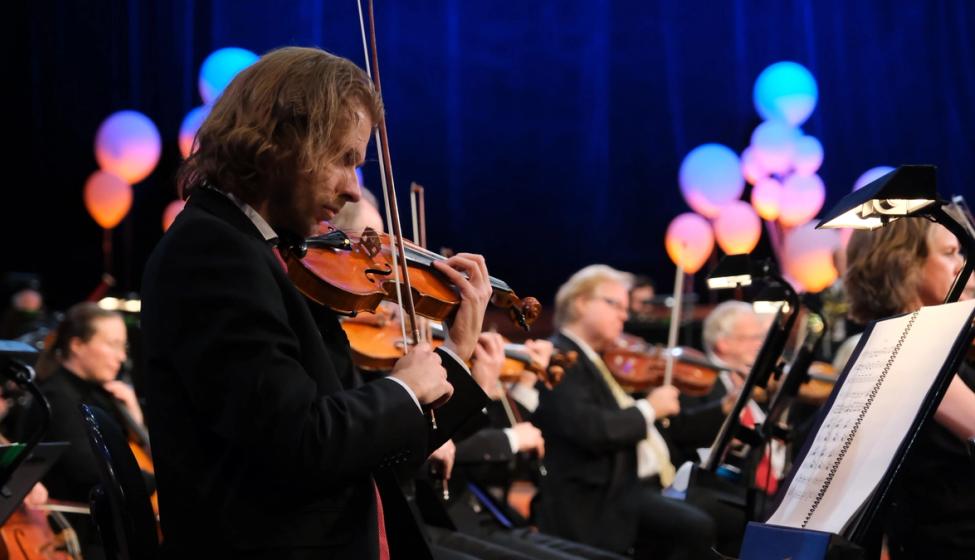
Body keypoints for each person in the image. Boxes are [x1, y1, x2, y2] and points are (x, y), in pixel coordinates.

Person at [141, 47, 493, 559]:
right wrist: (402, 388)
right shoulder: (213, 252)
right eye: (344, 159)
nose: (353, 190)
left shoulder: (263, 250)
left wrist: (454, 354)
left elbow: (371, 452)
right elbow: (300, 443)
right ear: (282, 142)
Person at [532, 265, 716, 559]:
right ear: (581, 303)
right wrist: (650, 408)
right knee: (698, 526)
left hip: (626, 487)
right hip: (596, 499)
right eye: (615, 305)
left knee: (711, 513)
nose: (625, 316)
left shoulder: (594, 358)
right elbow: (592, 429)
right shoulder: (559, 356)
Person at [844, 219, 975, 558]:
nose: (963, 264)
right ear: (905, 264)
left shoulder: (898, 340)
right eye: (949, 253)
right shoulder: (913, 348)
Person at [25, 301, 145, 559]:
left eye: (122, 347)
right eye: (112, 345)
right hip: (76, 540)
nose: (122, 357)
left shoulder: (102, 395)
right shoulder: (57, 398)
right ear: (77, 345)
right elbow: (92, 470)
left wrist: (135, 416)